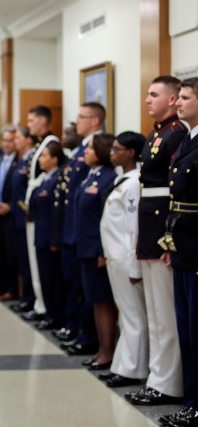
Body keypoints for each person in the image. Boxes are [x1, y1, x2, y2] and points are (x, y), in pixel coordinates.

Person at [126, 76, 187, 407]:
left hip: (162, 226)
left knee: (166, 316)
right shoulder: (158, 132)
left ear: (174, 98)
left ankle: (168, 382)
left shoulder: (176, 133)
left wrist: (169, 235)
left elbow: (176, 189)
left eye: (154, 94)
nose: (148, 99)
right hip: (149, 227)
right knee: (155, 312)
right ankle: (158, 377)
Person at [158, 77, 198, 427]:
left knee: (197, 330)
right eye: (179, 96)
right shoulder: (188, 139)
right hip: (184, 247)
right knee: (186, 329)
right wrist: (171, 241)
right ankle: (191, 400)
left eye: (186, 97)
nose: (179, 102)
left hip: (197, 250)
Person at [54, 103, 104, 353]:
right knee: (73, 285)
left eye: (81, 118)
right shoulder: (81, 149)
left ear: (95, 120)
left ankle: (87, 337)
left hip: (83, 233)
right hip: (72, 230)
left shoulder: (97, 148)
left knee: (85, 290)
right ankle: (76, 328)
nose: (76, 123)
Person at [98, 131, 147, 388]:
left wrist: (133, 264)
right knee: (126, 316)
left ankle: (131, 369)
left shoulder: (133, 183)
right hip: (114, 257)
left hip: (125, 258)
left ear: (131, 153)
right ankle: (123, 364)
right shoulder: (122, 180)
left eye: (117, 148)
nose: (112, 152)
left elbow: (133, 228)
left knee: (132, 316)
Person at [75, 133, 117, 370]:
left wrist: (102, 250)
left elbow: (107, 219)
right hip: (85, 248)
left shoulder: (109, 178)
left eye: (90, 148)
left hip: (97, 251)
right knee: (94, 301)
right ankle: (101, 348)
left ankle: (108, 351)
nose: (85, 153)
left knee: (103, 302)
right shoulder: (92, 176)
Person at [21, 105, 59, 322]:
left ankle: (44, 306)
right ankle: (39, 302)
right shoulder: (39, 145)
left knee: (41, 264)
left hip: (41, 211)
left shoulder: (51, 143)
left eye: (32, 120)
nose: (29, 125)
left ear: (43, 121)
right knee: (34, 263)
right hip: (33, 208)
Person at [30, 141, 66, 330]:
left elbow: (56, 213)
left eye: (45, 156)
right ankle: (49, 313)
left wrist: (54, 239)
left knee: (53, 280)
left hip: (50, 238)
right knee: (45, 277)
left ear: (54, 159)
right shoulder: (44, 179)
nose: (41, 160)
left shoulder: (57, 180)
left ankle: (55, 315)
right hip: (40, 236)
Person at [0, 127, 18, 300]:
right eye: (5, 140)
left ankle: (11, 289)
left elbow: (20, 191)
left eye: (11, 140)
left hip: (11, 214)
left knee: (10, 253)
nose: (7, 144)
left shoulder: (19, 161)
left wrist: (10, 206)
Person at [9, 126, 36, 313]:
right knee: (22, 261)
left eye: (18, 137)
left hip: (27, 218)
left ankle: (30, 299)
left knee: (29, 262)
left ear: (27, 140)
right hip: (16, 217)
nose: (14, 141)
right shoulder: (20, 160)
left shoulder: (32, 160)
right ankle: (25, 297)